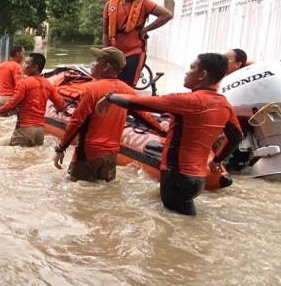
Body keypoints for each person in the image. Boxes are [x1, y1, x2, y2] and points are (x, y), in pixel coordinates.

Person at [98, 53, 243, 216]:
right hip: (199, 178)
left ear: (202, 75)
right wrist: (217, 160)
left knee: (171, 223)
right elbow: (236, 137)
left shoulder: (187, 101)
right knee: (181, 219)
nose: (187, 72)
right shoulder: (225, 105)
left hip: (177, 176)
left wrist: (109, 97)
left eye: (192, 68)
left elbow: (135, 102)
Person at [53, 47, 163, 182]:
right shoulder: (128, 91)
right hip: (111, 157)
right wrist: (163, 131)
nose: (92, 64)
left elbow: (76, 122)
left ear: (106, 66)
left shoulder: (92, 90)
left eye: (97, 60)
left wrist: (60, 148)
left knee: (76, 194)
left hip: (88, 153)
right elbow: (146, 117)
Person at [103, 0, 173, 86]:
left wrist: (146, 29)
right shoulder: (111, 4)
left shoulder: (145, 3)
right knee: (109, 85)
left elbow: (167, 15)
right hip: (115, 53)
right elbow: (105, 33)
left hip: (134, 52)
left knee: (127, 86)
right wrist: (105, 53)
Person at [0, 52, 67, 146]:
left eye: (27, 63)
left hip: (25, 129)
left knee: (15, 158)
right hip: (40, 131)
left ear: (35, 67)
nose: (23, 66)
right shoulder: (49, 85)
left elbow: (12, 103)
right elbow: (61, 106)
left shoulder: (24, 83)